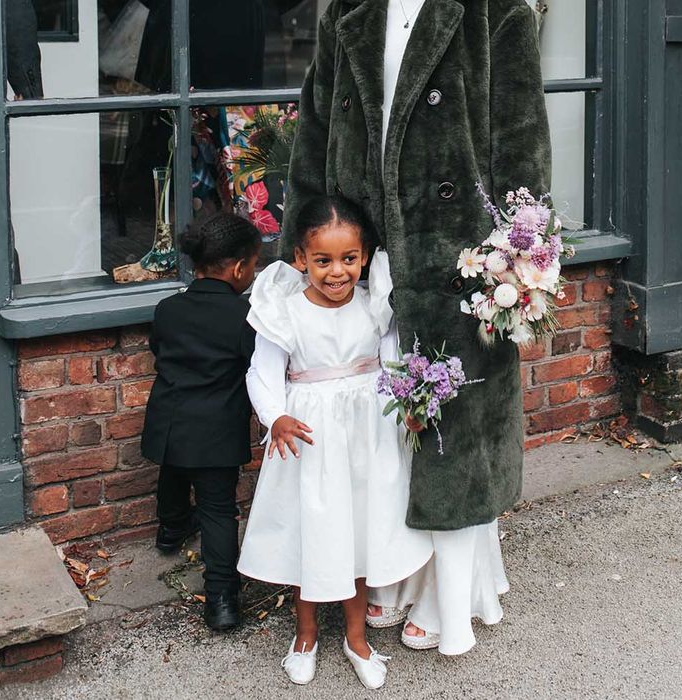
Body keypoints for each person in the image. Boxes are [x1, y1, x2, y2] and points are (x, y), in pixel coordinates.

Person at [279, 0, 552, 655]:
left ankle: (448, 596)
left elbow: (522, 141)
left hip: (460, 257)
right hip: (361, 254)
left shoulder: (496, 12)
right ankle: (396, 578)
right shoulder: (346, 10)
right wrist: (303, 248)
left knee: (453, 431)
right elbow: (317, 127)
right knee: (385, 425)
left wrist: (520, 259)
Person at [237, 196, 432, 689]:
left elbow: (391, 358)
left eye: (348, 259)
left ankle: (356, 636)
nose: (337, 272)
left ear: (363, 256)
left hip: (368, 431)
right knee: (316, 528)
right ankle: (305, 635)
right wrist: (275, 415)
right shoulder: (285, 312)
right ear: (301, 259)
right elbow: (261, 373)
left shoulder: (373, 305)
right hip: (312, 437)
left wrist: (408, 401)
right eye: (323, 261)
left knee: (361, 529)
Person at [141, 213, 261, 631]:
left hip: (170, 421)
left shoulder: (167, 309)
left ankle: (170, 532)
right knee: (217, 511)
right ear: (239, 268)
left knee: (172, 476)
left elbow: (160, 350)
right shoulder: (246, 317)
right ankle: (222, 600)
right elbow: (254, 367)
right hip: (216, 429)